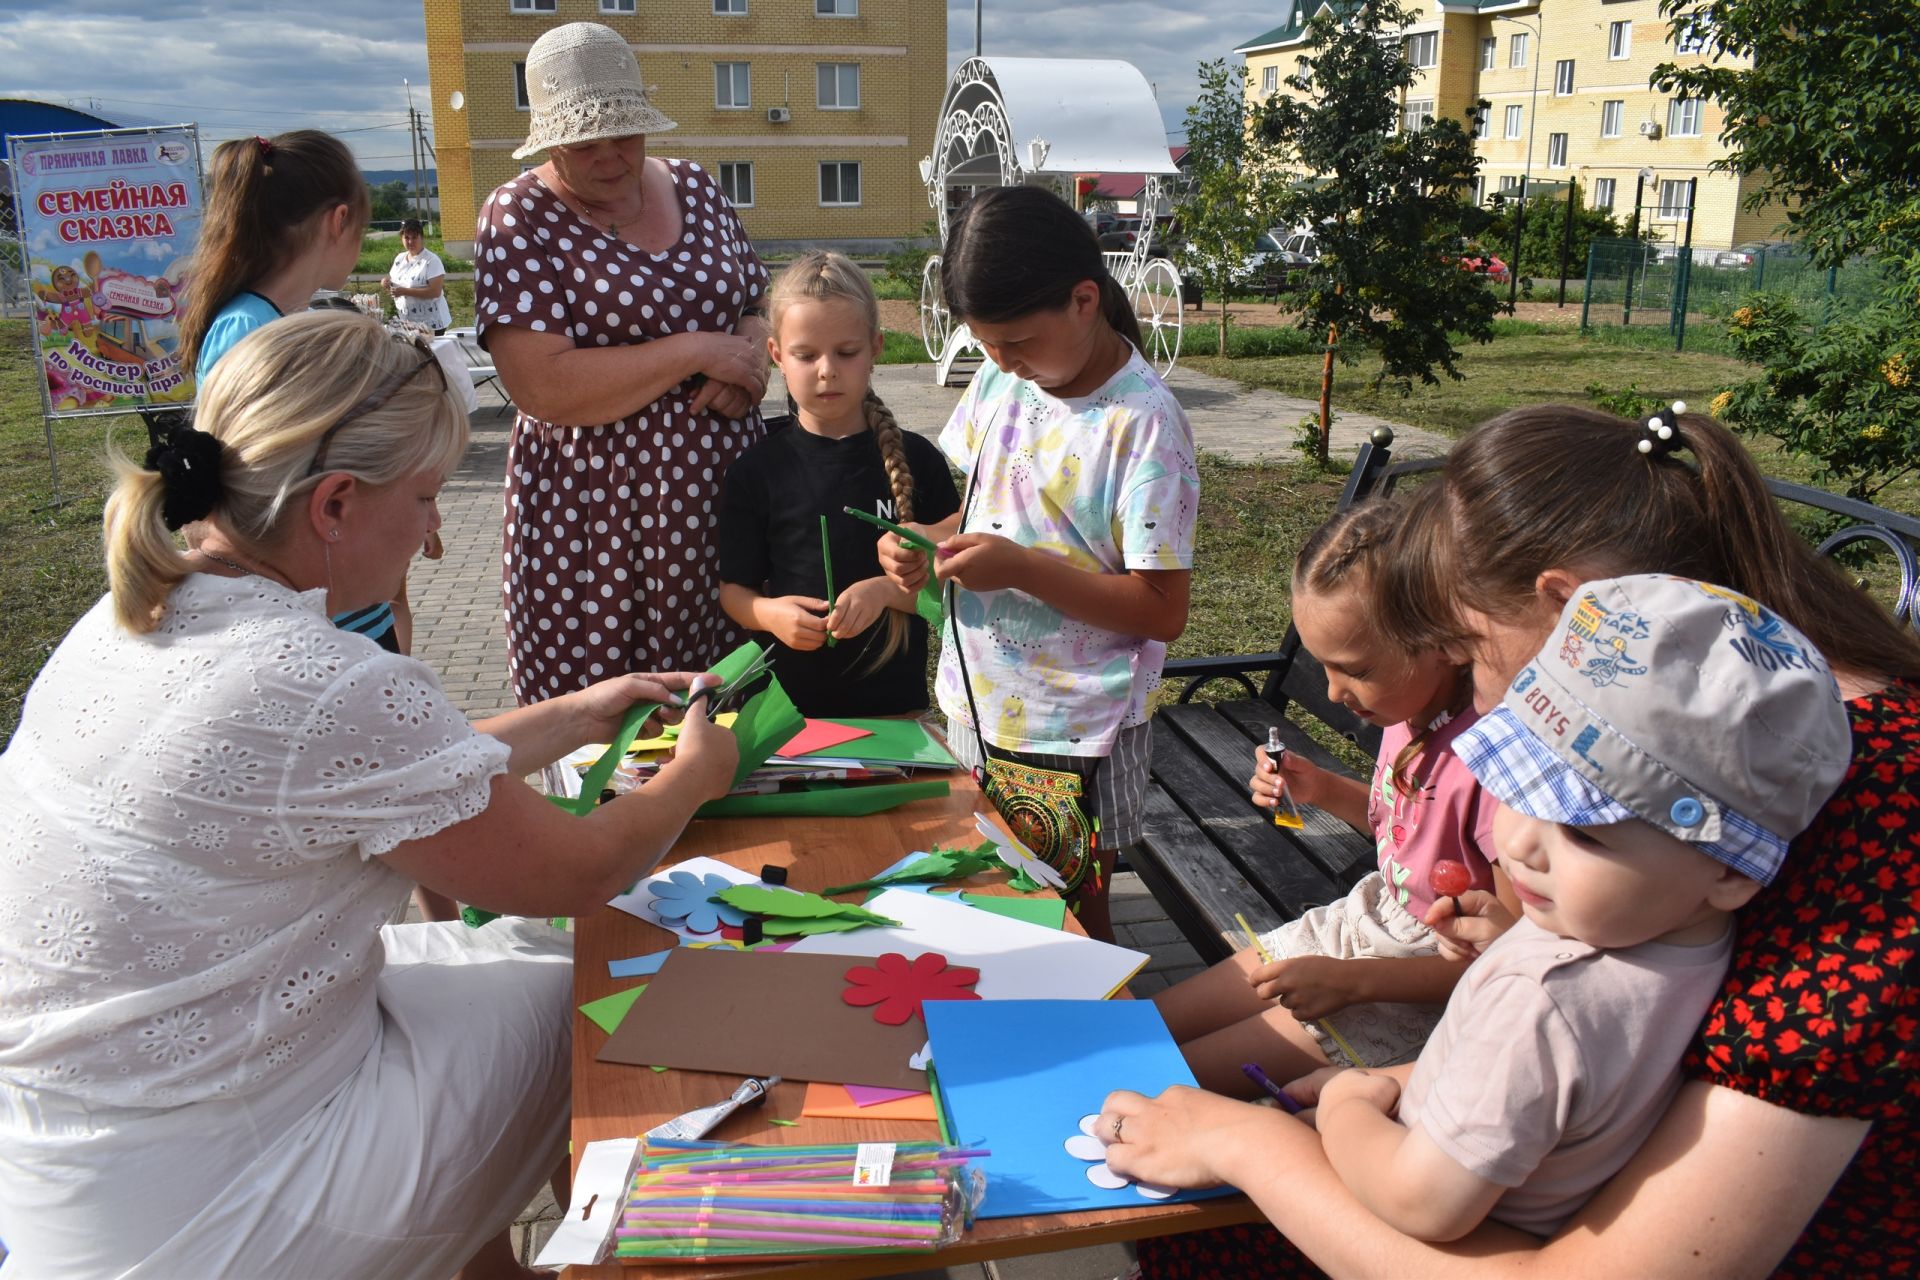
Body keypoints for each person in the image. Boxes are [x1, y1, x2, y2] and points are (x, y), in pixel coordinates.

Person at [1096, 403, 1920, 1278]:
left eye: (1467, 647)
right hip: (1520, 1185)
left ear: (1575, 612)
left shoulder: (1881, 828)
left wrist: (1249, 1144)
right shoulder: (1715, 749)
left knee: (1201, 1226)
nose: (1477, 698)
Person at [0, 310, 739, 1280]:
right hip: (218, 1197)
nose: (437, 530)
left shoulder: (135, 614)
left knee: (506, 958)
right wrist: (699, 773)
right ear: (336, 504)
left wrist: (569, 715)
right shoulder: (324, 676)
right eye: (428, 494)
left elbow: (370, 779)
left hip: (80, 1164)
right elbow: (581, 867)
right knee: (595, 991)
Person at [1311, 574, 1852, 1243]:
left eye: (1583, 832)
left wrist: (1344, 1104)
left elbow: (1424, 1205)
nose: (1519, 844)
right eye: (1517, 786)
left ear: (1732, 873)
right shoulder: (1686, 942)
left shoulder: (1545, 996)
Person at [877, 185, 1199, 943]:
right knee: (988, 894)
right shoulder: (1001, 380)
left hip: (1076, 727)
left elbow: (1162, 610)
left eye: (1017, 342)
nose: (1002, 363)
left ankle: (1095, 1053)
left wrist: (1019, 569)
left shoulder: (1144, 426)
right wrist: (931, 540)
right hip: (978, 700)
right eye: (986, 346)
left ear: (1085, 300)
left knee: (1073, 922)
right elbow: (995, 508)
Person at [1153, 500, 1509, 1094]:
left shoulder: (1495, 768)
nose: (1335, 690)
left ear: (1442, 639)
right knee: (1145, 1031)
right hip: (1358, 926)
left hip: (1412, 987)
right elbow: (1408, 834)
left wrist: (1352, 983)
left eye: (1355, 669)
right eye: (1323, 667)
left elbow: (1506, 964)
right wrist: (1319, 788)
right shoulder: (1409, 709)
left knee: (1166, 1076)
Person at [474, 21, 773, 706]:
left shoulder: (696, 186)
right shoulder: (518, 216)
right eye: (587, 141)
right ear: (550, 138)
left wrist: (748, 363)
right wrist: (698, 352)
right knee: (602, 725)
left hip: (723, 506)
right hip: (595, 526)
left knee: (725, 716)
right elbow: (542, 386)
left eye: (626, 133)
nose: (611, 154)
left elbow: (751, 302)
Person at [716, 251, 959, 718]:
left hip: (897, 714)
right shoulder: (757, 470)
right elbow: (735, 592)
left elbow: (953, 583)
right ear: (777, 357)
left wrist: (886, 592)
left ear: (875, 349)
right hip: (786, 719)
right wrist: (771, 615)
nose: (827, 369)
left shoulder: (919, 460)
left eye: (846, 352)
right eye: (806, 355)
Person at [383, 217, 452, 334]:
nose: (410, 242)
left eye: (414, 237)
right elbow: (394, 280)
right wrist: (386, 282)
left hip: (431, 324)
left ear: (422, 237)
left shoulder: (431, 260)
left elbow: (435, 292)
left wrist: (404, 291)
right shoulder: (400, 258)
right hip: (408, 322)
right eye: (406, 238)